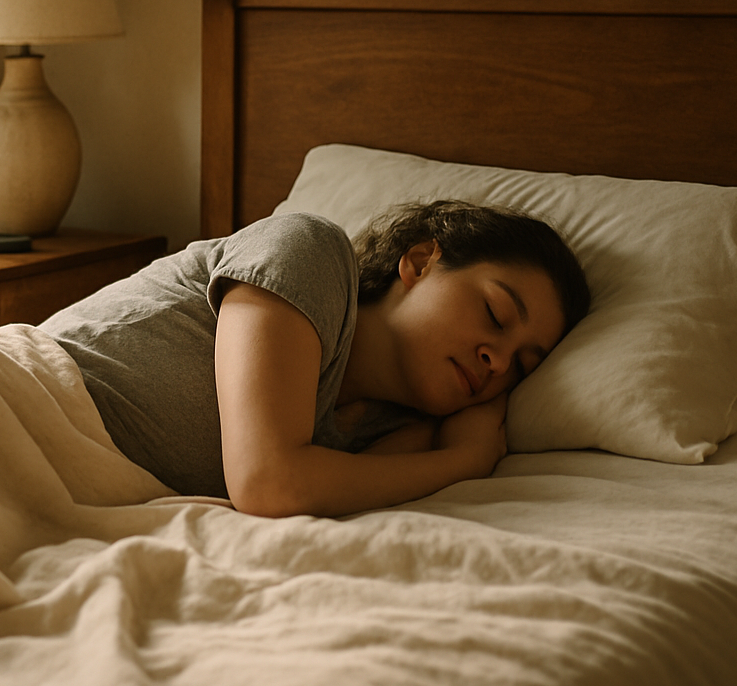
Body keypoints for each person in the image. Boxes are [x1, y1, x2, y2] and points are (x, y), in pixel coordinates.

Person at [39, 201, 591, 519]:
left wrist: (448, 444)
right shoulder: (309, 253)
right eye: (495, 314)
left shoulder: (383, 439)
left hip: (52, 490)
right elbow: (269, 484)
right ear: (421, 262)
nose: (497, 362)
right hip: (9, 396)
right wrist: (464, 461)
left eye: (522, 366)